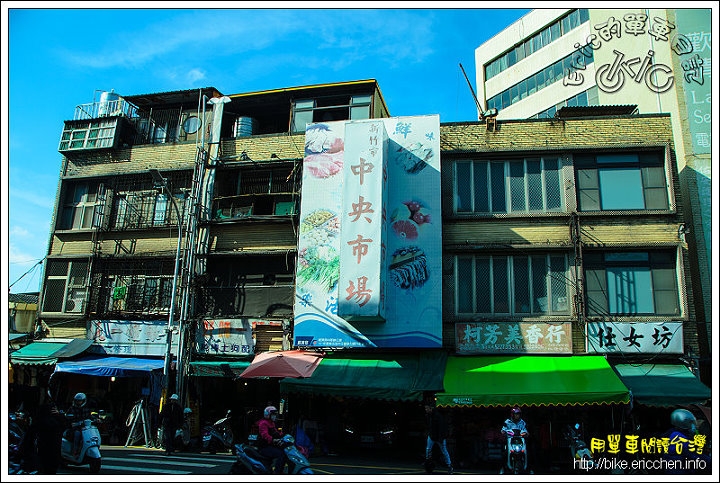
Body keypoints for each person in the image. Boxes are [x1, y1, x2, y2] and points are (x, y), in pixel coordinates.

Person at [662, 408, 709, 474]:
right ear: (683, 423)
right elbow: (694, 456)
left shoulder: (672, 433)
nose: (694, 425)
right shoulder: (679, 438)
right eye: (691, 422)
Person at [425, 400, 453, 474]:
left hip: (436, 436)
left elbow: (441, 428)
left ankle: (449, 465)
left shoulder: (436, 416)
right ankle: (448, 465)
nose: (426, 410)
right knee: (441, 450)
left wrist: (441, 437)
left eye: (427, 408)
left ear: (431, 408)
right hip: (434, 435)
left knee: (433, 450)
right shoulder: (433, 416)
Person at [257, 405, 287, 474]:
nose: (275, 416)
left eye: (275, 415)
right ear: (268, 414)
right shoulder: (263, 423)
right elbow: (264, 435)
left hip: (270, 445)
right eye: (273, 414)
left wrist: (283, 436)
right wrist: (273, 440)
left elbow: (276, 432)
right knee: (281, 454)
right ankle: (278, 472)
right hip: (264, 447)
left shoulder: (272, 423)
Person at [500, 406, 528, 473]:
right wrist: (504, 432)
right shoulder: (507, 422)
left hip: (520, 441)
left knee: (527, 452)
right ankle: (503, 468)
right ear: (512, 414)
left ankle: (529, 468)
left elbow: (525, 430)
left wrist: (526, 433)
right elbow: (503, 430)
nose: (517, 416)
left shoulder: (522, 422)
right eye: (516, 414)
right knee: (504, 453)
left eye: (518, 414)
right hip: (510, 440)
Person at [67, 392, 93, 458]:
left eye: (80, 401)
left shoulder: (86, 409)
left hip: (85, 428)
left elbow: (90, 416)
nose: (78, 402)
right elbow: (68, 417)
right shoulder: (72, 408)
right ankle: (75, 451)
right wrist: (74, 422)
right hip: (75, 428)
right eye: (77, 401)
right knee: (77, 434)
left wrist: (96, 419)